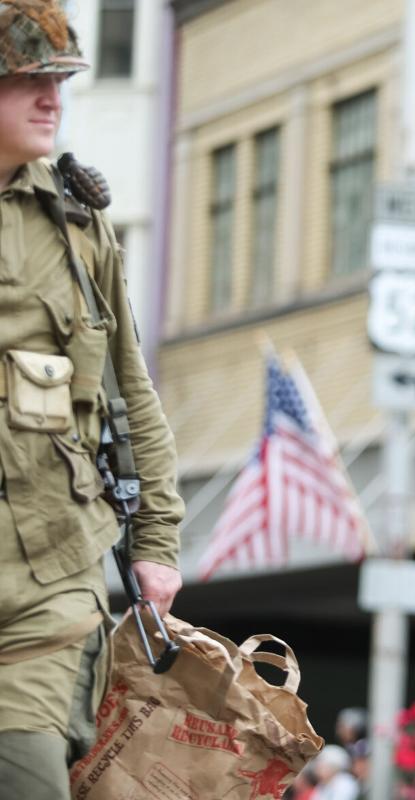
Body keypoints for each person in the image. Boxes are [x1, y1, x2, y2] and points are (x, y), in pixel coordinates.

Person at [0, 2, 184, 797]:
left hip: (51, 571)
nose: (52, 98)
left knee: (31, 778)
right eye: (27, 78)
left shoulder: (79, 222)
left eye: (59, 80)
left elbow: (128, 386)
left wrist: (158, 538)